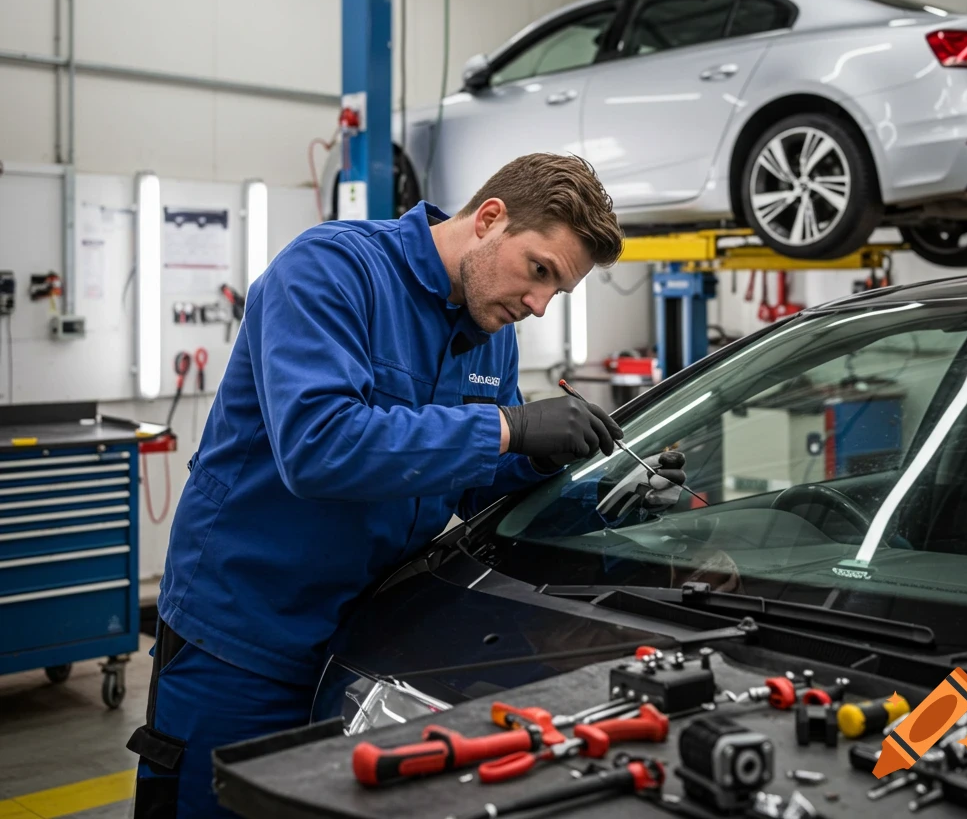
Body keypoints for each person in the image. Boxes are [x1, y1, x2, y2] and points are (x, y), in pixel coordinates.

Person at [129, 153, 627, 817]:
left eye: (556, 292)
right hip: (241, 638)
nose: (537, 305)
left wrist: (589, 481)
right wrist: (509, 428)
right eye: (538, 271)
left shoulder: (491, 334)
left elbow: (478, 486)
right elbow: (320, 446)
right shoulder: (333, 271)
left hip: (365, 644)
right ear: (489, 219)